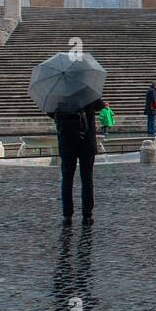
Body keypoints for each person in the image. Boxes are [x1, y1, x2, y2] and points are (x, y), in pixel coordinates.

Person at [51, 97, 105, 227]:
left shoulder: (58, 92)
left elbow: (51, 113)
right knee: (87, 178)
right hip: (86, 140)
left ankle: (67, 214)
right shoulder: (86, 90)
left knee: (67, 179)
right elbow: (99, 105)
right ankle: (87, 214)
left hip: (66, 140)